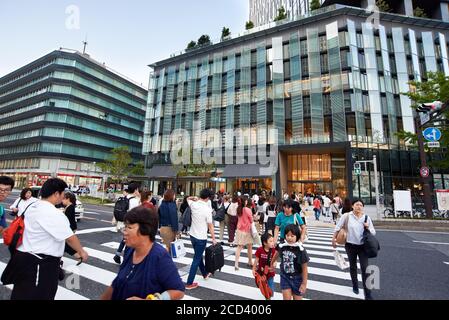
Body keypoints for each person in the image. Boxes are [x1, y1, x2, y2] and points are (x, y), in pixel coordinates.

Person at [2, 178, 88, 300]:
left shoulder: (31, 206)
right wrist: (81, 252)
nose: (63, 196)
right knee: (39, 295)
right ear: (56, 194)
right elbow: (69, 238)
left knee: (22, 293)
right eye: (63, 193)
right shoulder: (53, 213)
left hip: (24, 259)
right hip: (40, 264)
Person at [100, 206, 185, 300]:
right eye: (125, 227)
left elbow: (178, 290)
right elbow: (117, 283)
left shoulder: (159, 257)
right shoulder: (130, 250)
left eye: (129, 227)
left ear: (145, 229)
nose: (124, 231)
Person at [332, 199, 376, 300]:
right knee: (353, 266)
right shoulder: (346, 216)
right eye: (357, 204)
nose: (359, 206)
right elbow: (337, 227)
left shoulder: (366, 218)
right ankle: (355, 285)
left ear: (363, 207)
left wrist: (368, 227)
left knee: (365, 269)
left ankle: (368, 293)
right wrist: (333, 239)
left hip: (363, 247)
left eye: (361, 205)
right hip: (350, 245)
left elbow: (373, 232)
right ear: (352, 206)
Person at [185, 189, 217, 290]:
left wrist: (194, 198)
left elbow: (187, 199)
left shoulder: (193, 204)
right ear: (207, 198)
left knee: (197, 256)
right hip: (201, 237)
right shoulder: (207, 209)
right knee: (196, 259)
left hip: (192, 235)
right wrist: (213, 238)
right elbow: (211, 226)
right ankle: (189, 283)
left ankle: (204, 273)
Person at [272, 224, 309, 300]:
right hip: (285, 277)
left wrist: (304, 283)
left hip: (297, 278)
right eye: (287, 235)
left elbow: (304, 268)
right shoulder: (283, 246)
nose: (289, 238)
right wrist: (272, 263)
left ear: (297, 236)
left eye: (292, 236)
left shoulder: (300, 250)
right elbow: (277, 253)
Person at [113, 183, 141, 264]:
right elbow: (137, 213)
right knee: (131, 241)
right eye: (137, 189)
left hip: (122, 223)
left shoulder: (124, 198)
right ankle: (127, 259)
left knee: (125, 239)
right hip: (130, 224)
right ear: (135, 190)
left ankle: (117, 255)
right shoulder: (135, 201)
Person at [252, 233, 276, 299]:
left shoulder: (273, 250)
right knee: (264, 288)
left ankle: (269, 295)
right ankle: (267, 297)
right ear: (265, 243)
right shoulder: (260, 250)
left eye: (273, 241)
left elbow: (275, 261)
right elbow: (256, 260)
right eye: (270, 241)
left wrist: (274, 265)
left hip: (270, 273)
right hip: (262, 273)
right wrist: (253, 269)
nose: (273, 243)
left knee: (271, 290)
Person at [234, 196, 254, 271]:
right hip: (247, 230)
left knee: (239, 247)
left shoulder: (238, 209)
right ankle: (250, 261)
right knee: (249, 246)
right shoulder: (248, 210)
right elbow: (251, 220)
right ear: (244, 201)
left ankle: (236, 263)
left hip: (239, 230)